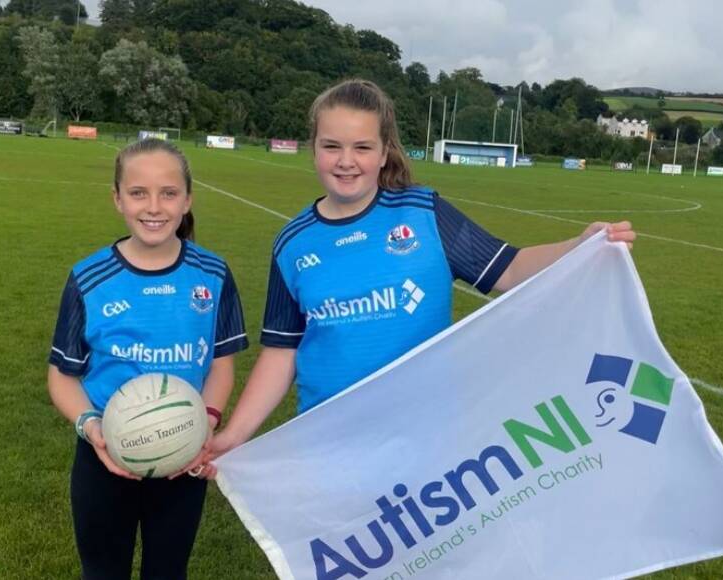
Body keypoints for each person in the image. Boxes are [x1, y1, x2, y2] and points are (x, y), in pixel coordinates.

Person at [203, 78, 635, 460]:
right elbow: (282, 351)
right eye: (331, 145)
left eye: (362, 147)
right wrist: (235, 435)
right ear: (313, 147)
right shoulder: (292, 243)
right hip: (329, 443)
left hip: (426, 437)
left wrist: (580, 245)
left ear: (385, 151)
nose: (345, 161)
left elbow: (509, 269)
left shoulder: (424, 213)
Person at [47, 138, 249, 579]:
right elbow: (62, 378)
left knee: (167, 572)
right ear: (117, 199)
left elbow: (220, 365)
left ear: (188, 199)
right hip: (103, 457)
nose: (153, 206)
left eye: (168, 193)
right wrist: (94, 430)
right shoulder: (89, 277)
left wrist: (206, 422)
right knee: (102, 572)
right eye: (138, 193)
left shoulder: (213, 274)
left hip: (182, 456)